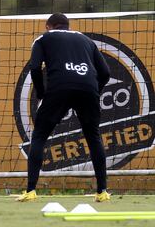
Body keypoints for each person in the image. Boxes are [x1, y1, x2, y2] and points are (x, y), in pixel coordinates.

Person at [16, 13, 110, 202]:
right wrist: (94, 91)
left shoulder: (43, 38)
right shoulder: (86, 40)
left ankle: (31, 191)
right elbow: (106, 73)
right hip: (88, 88)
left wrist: (41, 93)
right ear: (67, 26)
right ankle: (102, 192)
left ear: (48, 26)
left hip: (59, 87)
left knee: (40, 136)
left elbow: (35, 68)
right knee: (93, 137)